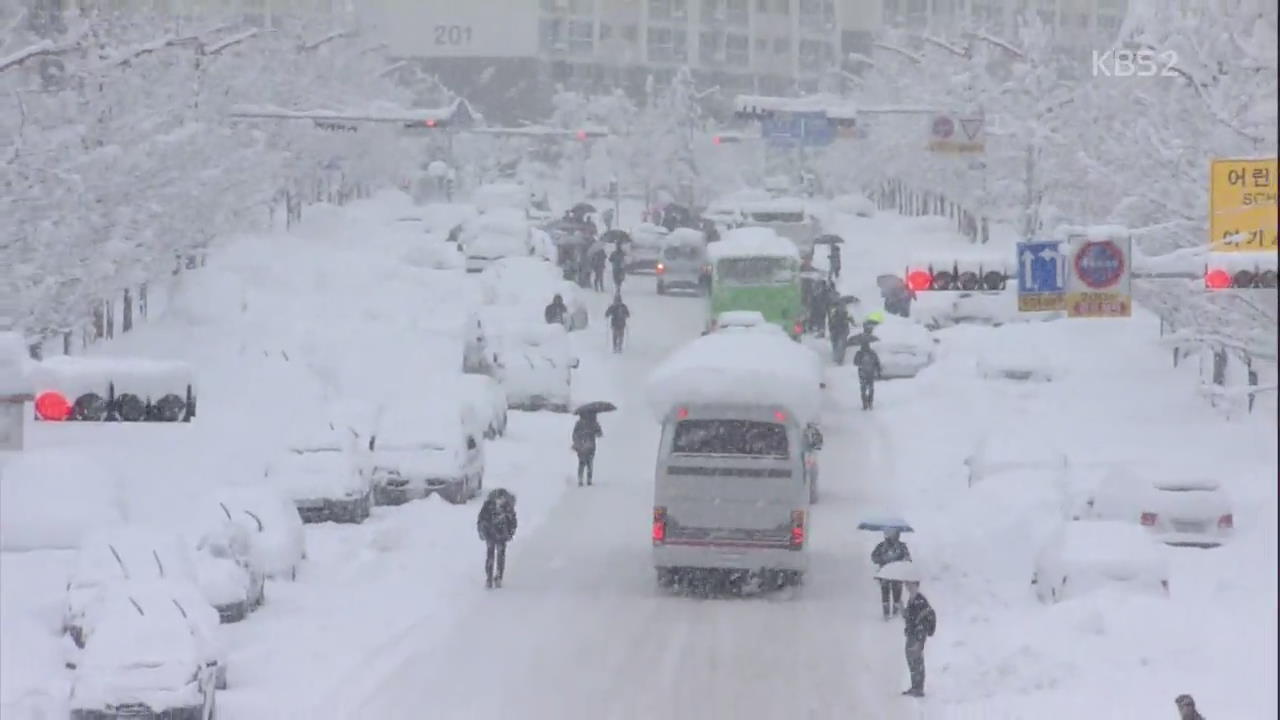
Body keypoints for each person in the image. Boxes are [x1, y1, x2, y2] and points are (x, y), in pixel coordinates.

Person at [901, 574, 936, 697]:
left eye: (910, 584)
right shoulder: (911, 600)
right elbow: (911, 618)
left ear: (916, 585)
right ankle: (915, 686)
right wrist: (903, 612)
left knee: (917, 661)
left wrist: (919, 641)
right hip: (911, 635)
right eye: (906, 584)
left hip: (917, 636)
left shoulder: (920, 601)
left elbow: (923, 621)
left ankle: (918, 688)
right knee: (912, 661)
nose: (907, 587)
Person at [476, 488, 518, 589]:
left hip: (496, 535)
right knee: (496, 556)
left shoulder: (493, 506)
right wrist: (511, 532)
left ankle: (494, 578)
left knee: (495, 556)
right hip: (496, 535)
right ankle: (494, 578)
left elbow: (513, 522)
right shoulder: (499, 506)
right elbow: (513, 521)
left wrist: (510, 532)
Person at [871, 530, 912, 619]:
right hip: (885, 574)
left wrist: (904, 560)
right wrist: (882, 559)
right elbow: (873, 557)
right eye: (895, 533)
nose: (897, 535)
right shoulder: (882, 546)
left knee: (896, 593)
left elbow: (908, 559)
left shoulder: (901, 546)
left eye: (896, 533)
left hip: (897, 575)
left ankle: (895, 614)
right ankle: (886, 614)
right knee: (885, 592)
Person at [571, 412, 603, 486]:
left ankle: (580, 480)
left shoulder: (579, 423)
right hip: (590, 446)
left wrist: (577, 442)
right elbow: (599, 434)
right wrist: (596, 430)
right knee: (589, 463)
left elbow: (574, 435)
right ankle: (588, 481)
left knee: (582, 463)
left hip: (582, 446)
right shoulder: (593, 423)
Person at [853, 344, 881, 410]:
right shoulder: (872, 353)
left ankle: (865, 403)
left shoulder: (860, 353)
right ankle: (870, 403)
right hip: (870, 374)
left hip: (863, 374)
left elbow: (855, 363)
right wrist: (878, 371)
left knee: (863, 389)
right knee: (870, 389)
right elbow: (877, 363)